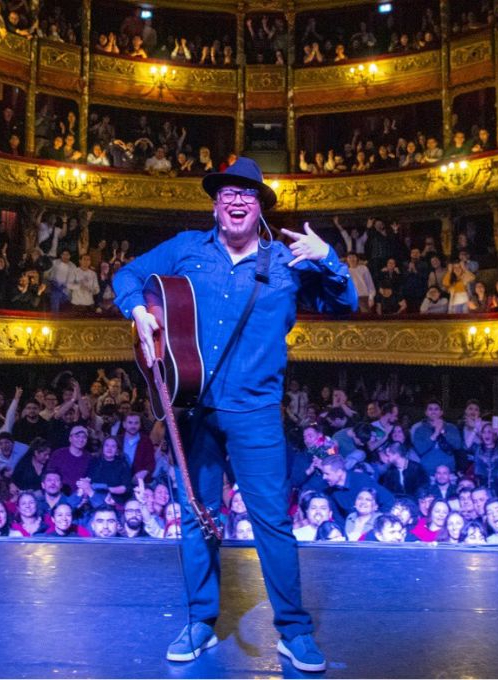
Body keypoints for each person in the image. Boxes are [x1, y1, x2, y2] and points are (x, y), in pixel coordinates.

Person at [113, 157, 355, 671]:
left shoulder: (289, 260)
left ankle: (293, 630)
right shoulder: (186, 249)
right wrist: (138, 312)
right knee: (199, 520)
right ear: (215, 204)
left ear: (260, 206)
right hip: (193, 408)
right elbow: (127, 276)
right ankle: (202, 621)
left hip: (257, 412)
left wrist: (330, 257)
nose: (237, 199)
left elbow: (347, 303)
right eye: (227, 193)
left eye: (248, 192)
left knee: (272, 523)